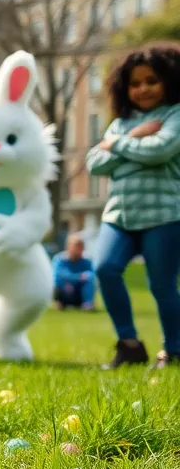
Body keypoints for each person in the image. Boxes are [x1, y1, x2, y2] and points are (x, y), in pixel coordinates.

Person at [86, 43, 180, 369]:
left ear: (169, 79)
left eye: (151, 81)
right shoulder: (121, 123)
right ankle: (129, 344)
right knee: (104, 268)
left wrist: (118, 148)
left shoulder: (175, 115)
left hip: (164, 214)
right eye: (135, 83)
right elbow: (94, 162)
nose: (143, 89)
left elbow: (161, 150)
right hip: (119, 215)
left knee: (162, 285)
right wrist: (138, 136)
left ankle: (174, 350)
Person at [52, 234, 96, 310]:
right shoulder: (59, 259)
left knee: (90, 279)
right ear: (68, 247)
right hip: (64, 290)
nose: (76, 249)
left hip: (79, 292)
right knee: (57, 281)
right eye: (74, 246)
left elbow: (92, 275)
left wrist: (70, 277)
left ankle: (87, 303)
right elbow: (58, 275)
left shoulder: (87, 259)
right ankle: (59, 302)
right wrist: (78, 277)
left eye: (79, 246)